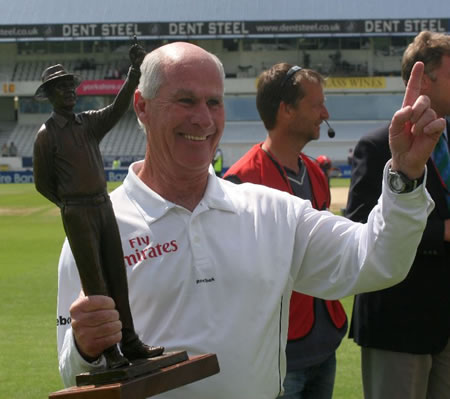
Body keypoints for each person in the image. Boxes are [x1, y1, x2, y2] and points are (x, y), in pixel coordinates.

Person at [57, 42, 444, 398]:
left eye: (214, 102)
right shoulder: (100, 229)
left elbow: (376, 260)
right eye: (186, 100)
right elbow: (71, 370)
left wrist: (404, 176)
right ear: (141, 105)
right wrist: (84, 348)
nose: (203, 119)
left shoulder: (272, 211)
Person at [33, 43, 163, 369]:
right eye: (60, 88)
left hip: (103, 205)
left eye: (69, 86)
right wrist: (69, 204)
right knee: (96, 285)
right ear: (50, 95)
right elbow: (42, 183)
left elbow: (119, 108)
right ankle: (110, 352)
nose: (68, 92)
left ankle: (130, 342)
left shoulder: (87, 123)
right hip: (78, 212)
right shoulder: (46, 135)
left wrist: (134, 72)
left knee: (117, 276)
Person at [224, 64, 347, 399]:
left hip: (324, 344)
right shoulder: (240, 182)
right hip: (278, 356)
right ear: (286, 110)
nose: (325, 113)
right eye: (316, 104)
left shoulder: (315, 173)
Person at [345, 31, 450, 399]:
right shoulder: (376, 147)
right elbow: (359, 226)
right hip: (399, 324)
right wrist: (442, 232)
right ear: (422, 80)